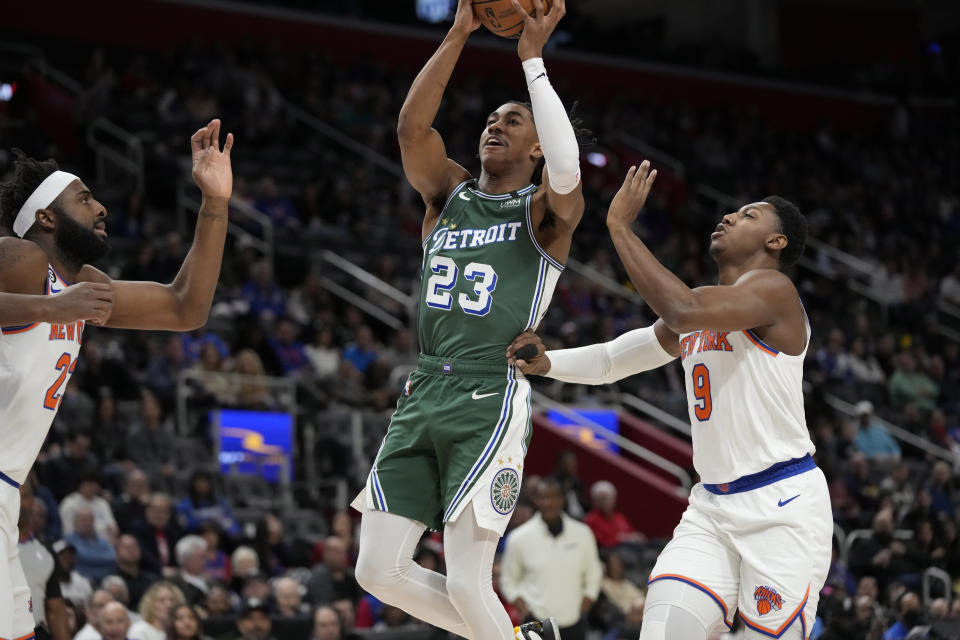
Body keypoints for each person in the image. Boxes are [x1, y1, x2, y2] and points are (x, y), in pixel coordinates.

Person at [507, 163, 832, 640]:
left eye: (749, 214)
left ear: (776, 242)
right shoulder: (705, 308)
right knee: (661, 630)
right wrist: (547, 364)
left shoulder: (773, 292)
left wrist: (619, 226)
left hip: (781, 507)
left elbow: (679, 309)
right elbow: (613, 360)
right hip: (712, 508)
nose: (729, 216)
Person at [350, 2, 584, 640]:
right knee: (376, 569)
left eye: (513, 121)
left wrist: (532, 63)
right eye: (490, 118)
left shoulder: (544, 213)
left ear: (538, 144)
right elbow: (410, 129)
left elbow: (567, 170)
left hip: (489, 392)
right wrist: (458, 31)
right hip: (424, 386)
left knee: (464, 579)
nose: (495, 126)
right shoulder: (446, 194)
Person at [0, 120, 233, 640]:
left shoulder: (79, 284)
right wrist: (50, 307)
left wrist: (215, 204)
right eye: (84, 199)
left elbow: (184, 307)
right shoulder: (21, 257)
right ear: (45, 217)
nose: (101, 206)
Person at [500, 477, 602, 640]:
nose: (548, 503)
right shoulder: (519, 538)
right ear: (536, 500)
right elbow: (508, 581)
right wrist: (522, 606)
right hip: (535, 625)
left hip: (574, 623)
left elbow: (593, 572)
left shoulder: (583, 534)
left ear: (562, 499)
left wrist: (588, 598)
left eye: (553, 497)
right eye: (543, 497)